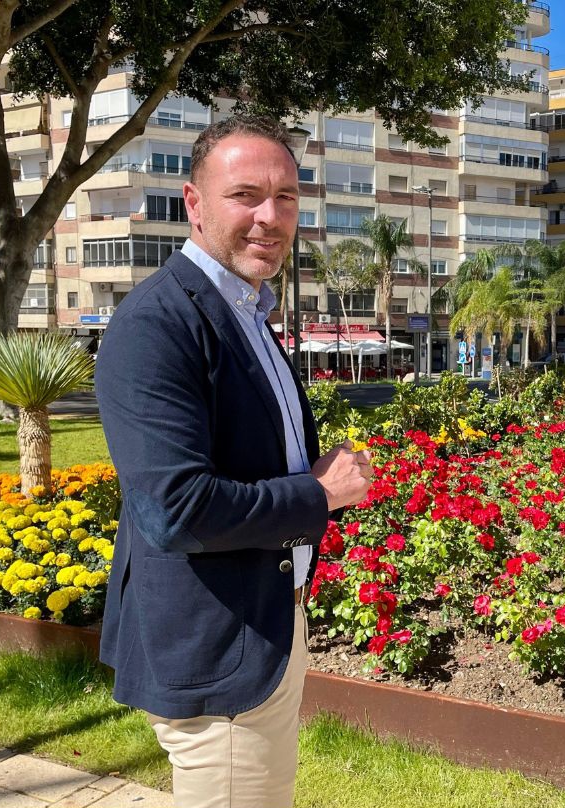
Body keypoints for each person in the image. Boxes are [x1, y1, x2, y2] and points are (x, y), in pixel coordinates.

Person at [94, 115, 373, 808]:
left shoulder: (244, 309)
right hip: (216, 650)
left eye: (286, 198)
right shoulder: (158, 325)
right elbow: (178, 510)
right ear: (193, 203)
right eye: (246, 195)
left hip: (262, 625)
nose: (270, 217)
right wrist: (319, 494)